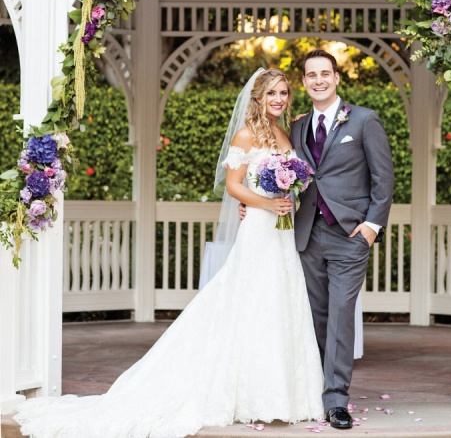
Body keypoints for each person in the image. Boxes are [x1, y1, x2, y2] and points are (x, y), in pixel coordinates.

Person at [14, 69, 324, 438]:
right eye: (271, 93)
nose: (278, 99)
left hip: (281, 232)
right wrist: (266, 204)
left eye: (284, 93)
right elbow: (234, 186)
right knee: (251, 301)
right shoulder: (246, 134)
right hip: (260, 228)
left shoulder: (283, 133)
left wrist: (285, 196)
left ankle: (284, 395)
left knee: (280, 302)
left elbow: (289, 178)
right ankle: (249, 394)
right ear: (257, 97)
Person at [290, 49, 394, 429]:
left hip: (350, 235)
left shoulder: (364, 120)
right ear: (304, 82)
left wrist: (371, 227)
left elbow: (384, 179)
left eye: (324, 73)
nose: (318, 80)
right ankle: (315, 387)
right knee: (315, 316)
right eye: (310, 74)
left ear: (336, 78)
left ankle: (336, 400)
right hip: (308, 233)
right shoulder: (297, 127)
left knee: (340, 314)